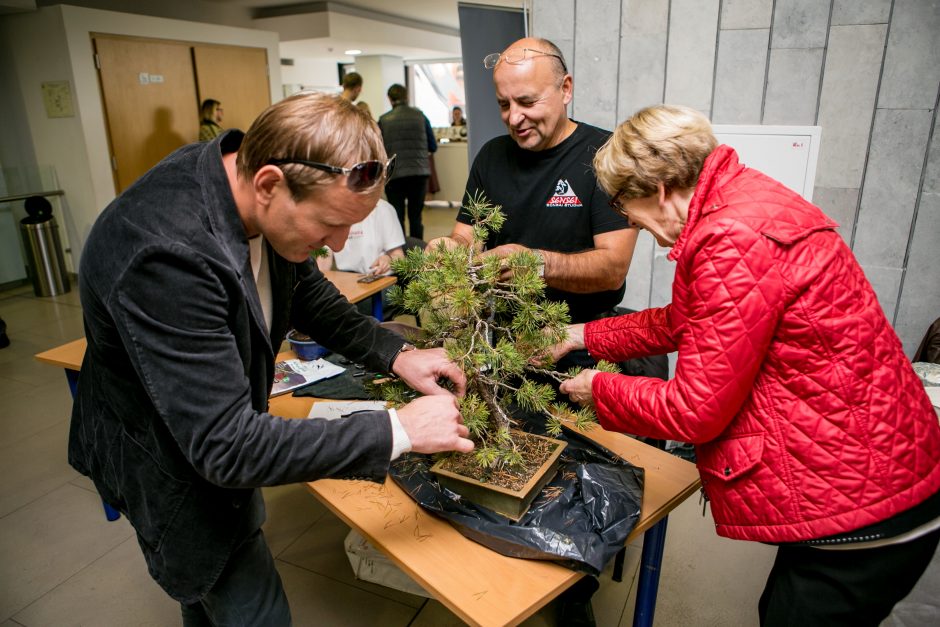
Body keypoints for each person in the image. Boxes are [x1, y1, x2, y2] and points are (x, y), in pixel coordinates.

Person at [68, 92, 474, 626]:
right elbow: (225, 446)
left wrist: (399, 355)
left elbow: (308, 293)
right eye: (329, 224)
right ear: (268, 184)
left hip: (210, 442)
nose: (338, 243)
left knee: (211, 598)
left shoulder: (246, 186)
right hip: (166, 463)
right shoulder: (166, 254)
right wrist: (396, 430)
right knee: (243, 600)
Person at [554, 104, 940, 626]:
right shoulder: (741, 201)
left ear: (660, 189)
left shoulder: (727, 237)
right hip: (875, 468)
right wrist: (578, 335)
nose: (634, 226)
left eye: (627, 209)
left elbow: (694, 411)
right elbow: (685, 320)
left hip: (865, 500)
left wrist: (597, 388)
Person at [427, 37, 636, 329]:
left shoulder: (606, 155)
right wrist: (451, 247)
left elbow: (613, 269)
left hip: (580, 335)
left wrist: (536, 263)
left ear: (565, 89)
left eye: (527, 102)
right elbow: (468, 238)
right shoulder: (491, 156)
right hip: (501, 334)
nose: (514, 118)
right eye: (503, 104)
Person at [378, 83, 437, 240]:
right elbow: (433, 145)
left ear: (390, 99)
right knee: (416, 216)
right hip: (419, 173)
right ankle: (417, 251)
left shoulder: (383, 120)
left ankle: (400, 253)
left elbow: (378, 150)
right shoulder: (421, 116)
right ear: (407, 97)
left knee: (397, 216)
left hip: (394, 175)